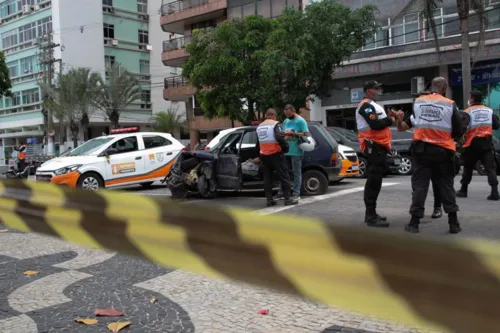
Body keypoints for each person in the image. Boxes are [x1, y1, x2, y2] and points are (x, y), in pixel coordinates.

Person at [396, 77, 464, 234]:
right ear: (444, 87)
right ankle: (453, 223)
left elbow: (405, 126)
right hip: (443, 151)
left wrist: (399, 120)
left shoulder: (418, 102)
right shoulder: (450, 104)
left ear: (431, 87)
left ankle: (414, 223)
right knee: (446, 186)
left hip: (421, 151)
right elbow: (459, 130)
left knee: (420, 187)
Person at [355, 81, 396, 227]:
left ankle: (371, 214)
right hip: (373, 147)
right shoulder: (365, 106)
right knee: (373, 181)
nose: (379, 90)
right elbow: (375, 124)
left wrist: (388, 118)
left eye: (379, 87)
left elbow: (379, 122)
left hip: (379, 147)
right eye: (376, 88)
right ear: (368, 91)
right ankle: (371, 216)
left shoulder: (373, 105)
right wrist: (390, 119)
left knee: (376, 180)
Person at [456, 90, 500, 200]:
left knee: (468, 167)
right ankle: (495, 192)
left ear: (472, 99)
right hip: (486, 143)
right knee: (490, 168)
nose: (468, 100)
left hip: (472, 143)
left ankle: (463, 190)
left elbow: (461, 128)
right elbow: (496, 125)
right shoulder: (489, 111)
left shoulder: (467, 111)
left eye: (469, 97)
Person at [257, 108, 298, 207]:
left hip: (264, 156)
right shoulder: (274, 124)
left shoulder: (259, 126)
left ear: (266, 115)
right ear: (273, 115)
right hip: (275, 154)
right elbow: (279, 137)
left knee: (267, 178)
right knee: (284, 177)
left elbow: (258, 142)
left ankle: (269, 200)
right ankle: (287, 199)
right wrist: (285, 148)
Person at [274, 104, 309, 201]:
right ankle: (282, 192)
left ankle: (296, 193)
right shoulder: (286, 121)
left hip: (297, 151)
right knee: (284, 172)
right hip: (286, 151)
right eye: (285, 114)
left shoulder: (301, 121)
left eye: (288, 113)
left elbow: (306, 134)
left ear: (293, 111)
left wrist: (293, 133)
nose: (287, 116)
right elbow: (283, 131)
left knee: (296, 172)